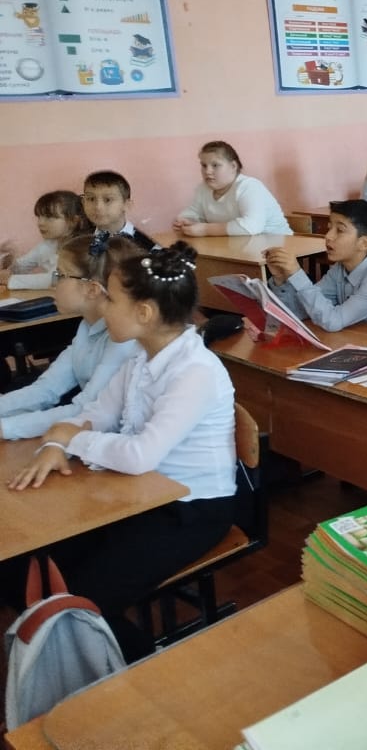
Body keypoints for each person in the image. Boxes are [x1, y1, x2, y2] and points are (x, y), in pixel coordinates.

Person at [5, 242, 237, 662]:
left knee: (82, 597)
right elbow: (96, 414)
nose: (103, 305)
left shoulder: (196, 372)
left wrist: (70, 438)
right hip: (139, 494)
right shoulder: (141, 359)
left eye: (111, 299)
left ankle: (134, 665)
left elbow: (139, 455)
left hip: (191, 509)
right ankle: (67, 657)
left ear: (144, 313)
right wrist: (56, 442)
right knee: (21, 567)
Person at [0, 234, 140, 439]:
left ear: (92, 289)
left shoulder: (123, 341)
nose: (53, 283)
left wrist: (6, 428)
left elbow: (85, 410)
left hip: (119, 441)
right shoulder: (86, 326)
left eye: (60, 275)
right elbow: (46, 389)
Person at [265, 199, 367, 331]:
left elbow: (332, 321)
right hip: (364, 343)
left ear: (364, 243)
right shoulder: (340, 269)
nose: (328, 236)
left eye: (340, 230)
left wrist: (297, 274)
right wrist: (281, 280)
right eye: (329, 228)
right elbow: (302, 311)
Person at [173, 141, 292, 236]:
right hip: (239, 249)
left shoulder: (249, 186)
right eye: (204, 165)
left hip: (279, 250)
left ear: (233, 166)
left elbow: (251, 226)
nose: (207, 171)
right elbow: (193, 213)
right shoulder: (203, 189)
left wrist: (205, 229)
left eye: (215, 165)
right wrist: (186, 222)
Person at [0, 190, 87, 290]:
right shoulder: (48, 245)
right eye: (39, 217)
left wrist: (10, 280)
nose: (40, 223)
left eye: (49, 217)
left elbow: (54, 279)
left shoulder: (78, 250)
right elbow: (22, 265)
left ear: (73, 221)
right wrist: (8, 267)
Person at [82, 170, 157, 251]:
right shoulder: (79, 241)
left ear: (126, 205)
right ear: (83, 202)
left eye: (108, 200)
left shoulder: (147, 247)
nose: (98, 207)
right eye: (91, 199)